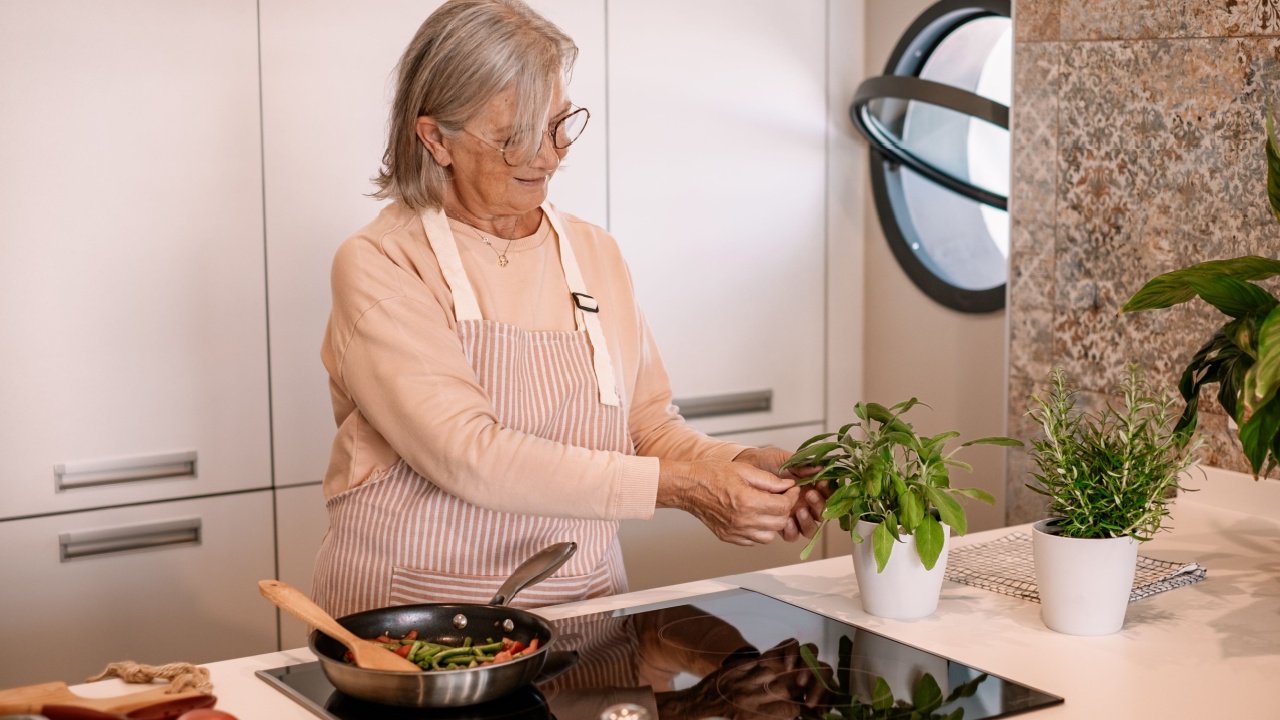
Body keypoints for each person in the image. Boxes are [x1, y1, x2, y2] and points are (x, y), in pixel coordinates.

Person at [312, 0, 825, 619]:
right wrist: (685, 488)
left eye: (558, 125)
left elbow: (647, 429)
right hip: (418, 619)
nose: (549, 156)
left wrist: (735, 465)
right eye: (516, 137)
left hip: (583, 602)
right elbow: (466, 453)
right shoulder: (382, 262)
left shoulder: (591, 251)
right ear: (435, 139)